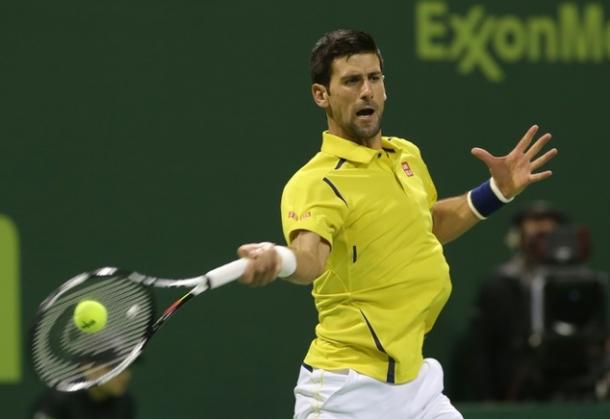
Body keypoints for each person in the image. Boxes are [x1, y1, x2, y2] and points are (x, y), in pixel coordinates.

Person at [236, 29, 557, 418]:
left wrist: (496, 191)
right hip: (347, 392)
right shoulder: (316, 183)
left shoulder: (405, 155)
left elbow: (428, 224)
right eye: (352, 81)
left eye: (374, 78)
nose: (367, 91)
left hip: (416, 382)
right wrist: (279, 260)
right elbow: (309, 258)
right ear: (322, 95)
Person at [461, 202, 607, 401]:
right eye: (534, 228)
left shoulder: (590, 287)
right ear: (518, 237)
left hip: (582, 386)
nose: (542, 232)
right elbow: (481, 354)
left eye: (548, 227)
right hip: (520, 394)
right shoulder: (500, 286)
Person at [30, 369, 136, 419]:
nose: (125, 376)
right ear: (88, 369)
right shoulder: (56, 401)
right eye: (115, 368)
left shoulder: (125, 403)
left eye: (127, 368)